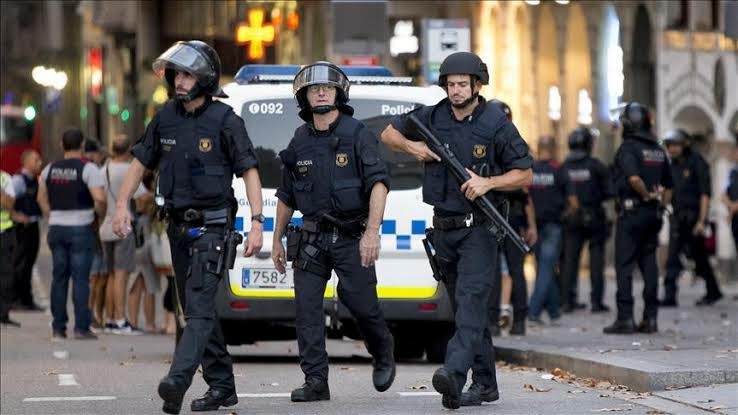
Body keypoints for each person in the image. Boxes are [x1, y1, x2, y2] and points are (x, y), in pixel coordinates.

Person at [111, 40, 264, 414]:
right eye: (176, 74)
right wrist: (120, 205)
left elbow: (249, 171)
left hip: (213, 229)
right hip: (177, 228)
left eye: (187, 75)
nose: (179, 81)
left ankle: (177, 381)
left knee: (196, 308)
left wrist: (257, 223)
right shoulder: (165, 116)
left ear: (205, 79)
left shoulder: (226, 121)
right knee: (197, 309)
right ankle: (222, 386)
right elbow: (140, 162)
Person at [381, 51, 533, 409]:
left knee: (471, 302)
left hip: (479, 229)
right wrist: (413, 147)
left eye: (463, 84)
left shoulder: (495, 122)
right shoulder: (431, 116)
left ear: (477, 85)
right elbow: (388, 133)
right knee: (467, 309)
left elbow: (525, 173)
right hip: (443, 229)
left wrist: (488, 182)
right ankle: (485, 385)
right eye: (451, 84)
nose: (456, 90)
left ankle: (453, 371)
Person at [271, 61, 396, 403]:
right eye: (314, 89)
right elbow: (286, 195)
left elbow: (379, 184)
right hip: (312, 239)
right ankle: (315, 381)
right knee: (307, 310)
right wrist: (276, 239)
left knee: (362, 305)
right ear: (305, 97)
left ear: (339, 94)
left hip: (351, 237)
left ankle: (382, 349)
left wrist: (372, 233)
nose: (322, 92)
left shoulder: (358, 134)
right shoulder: (299, 140)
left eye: (327, 88)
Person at [605, 102, 673, 335]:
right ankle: (650, 318)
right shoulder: (658, 149)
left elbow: (633, 179)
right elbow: (669, 186)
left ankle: (625, 318)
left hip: (632, 213)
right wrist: (660, 205)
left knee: (624, 266)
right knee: (649, 265)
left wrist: (644, 195)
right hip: (653, 215)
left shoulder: (629, 148)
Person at [37, 128, 107, 340]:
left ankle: (58, 328)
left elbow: (41, 198)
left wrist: (52, 215)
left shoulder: (49, 169)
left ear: (61, 144)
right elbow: (100, 199)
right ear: (82, 145)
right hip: (81, 227)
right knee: (80, 279)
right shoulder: (89, 169)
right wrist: (98, 217)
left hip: (56, 227)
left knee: (59, 278)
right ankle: (81, 328)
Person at [487, 99, 536, 337]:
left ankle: (496, 321)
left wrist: (531, 224)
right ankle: (517, 321)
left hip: (500, 214)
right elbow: (526, 191)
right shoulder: (517, 144)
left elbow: (525, 188)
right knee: (510, 269)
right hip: (508, 215)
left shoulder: (484, 142)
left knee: (500, 269)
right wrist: (531, 224)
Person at [661, 128, 722, 307]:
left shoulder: (697, 162)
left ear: (685, 145)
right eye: (669, 146)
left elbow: (704, 194)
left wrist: (702, 221)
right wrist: (662, 204)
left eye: (675, 145)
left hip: (694, 218)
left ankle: (713, 291)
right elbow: (669, 190)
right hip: (677, 217)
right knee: (672, 257)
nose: (672, 149)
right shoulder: (671, 165)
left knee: (699, 257)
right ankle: (669, 296)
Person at [559, 127, 614, 313]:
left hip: (571, 218)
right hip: (594, 216)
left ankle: (567, 301)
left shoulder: (563, 167)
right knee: (596, 260)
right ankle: (596, 302)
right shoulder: (596, 166)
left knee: (570, 260)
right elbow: (610, 191)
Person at [100, 135, 148, 335]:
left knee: (111, 274)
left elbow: (100, 199)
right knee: (122, 275)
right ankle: (121, 320)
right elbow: (142, 198)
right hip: (123, 227)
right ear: (129, 150)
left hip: (106, 226)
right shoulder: (129, 170)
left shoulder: (104, 169)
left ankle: (110, 318)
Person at [527, 135, 565, 325]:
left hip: (535, 226)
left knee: (544, 267)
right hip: (553, 225)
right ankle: (533, 312)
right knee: (546, 268)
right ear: (554, 148)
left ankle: (553, 310)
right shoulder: (559, 170)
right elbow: (572, 200)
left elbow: (527, 200)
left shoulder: (530, 170)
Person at [11, 150, 44, 311]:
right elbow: (6, 199)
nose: (40, 163)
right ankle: (16, 299)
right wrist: (16, 216)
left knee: (29, 263)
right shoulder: (19, 180)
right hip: (22, 228)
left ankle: (26, 299)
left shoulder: (34, 179)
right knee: (21, 264)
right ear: (26, 162)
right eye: (36, 160)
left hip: (33, 225)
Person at [1, 170, 21, 327]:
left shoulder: (5, 178)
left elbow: (9, 205)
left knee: (6, 275)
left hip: (3, 233)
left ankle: (3, 313)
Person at [721, 134, 738, 251]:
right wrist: (731, 206)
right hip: (735, 218)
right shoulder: (732, 172)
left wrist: (734, 208)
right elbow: (723, 194)